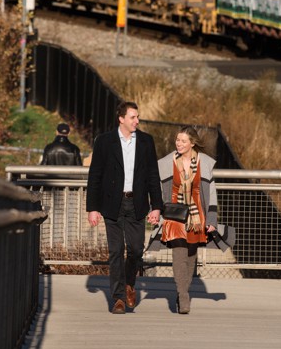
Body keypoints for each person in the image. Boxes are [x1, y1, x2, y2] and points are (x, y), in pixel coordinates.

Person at [86, 102, 163, 314]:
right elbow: (95, 176)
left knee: (137, 249)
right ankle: (118, 298)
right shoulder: (104, 141)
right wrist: (92, 208)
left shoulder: (146, 142)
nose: (136, 121)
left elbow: (152, 176)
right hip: (112, 203)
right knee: (116, 251)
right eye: (132, 117)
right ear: (121, 119)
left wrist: (156, 206)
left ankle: (129, 282)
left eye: (137, 117)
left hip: (136, 202)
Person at [153, 126, 224, 314]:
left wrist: (211, 219)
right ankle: (183, 296)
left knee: (191, 256)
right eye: (177, 140)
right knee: (179, 254)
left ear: (192, 143)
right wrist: (156, 211)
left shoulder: (205, 163)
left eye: (183, 141)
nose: (179, 144)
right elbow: (158, 189)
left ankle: (182, 290)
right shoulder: (167, 162)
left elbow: (211, 192)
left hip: (197, 215)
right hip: (174, 214)